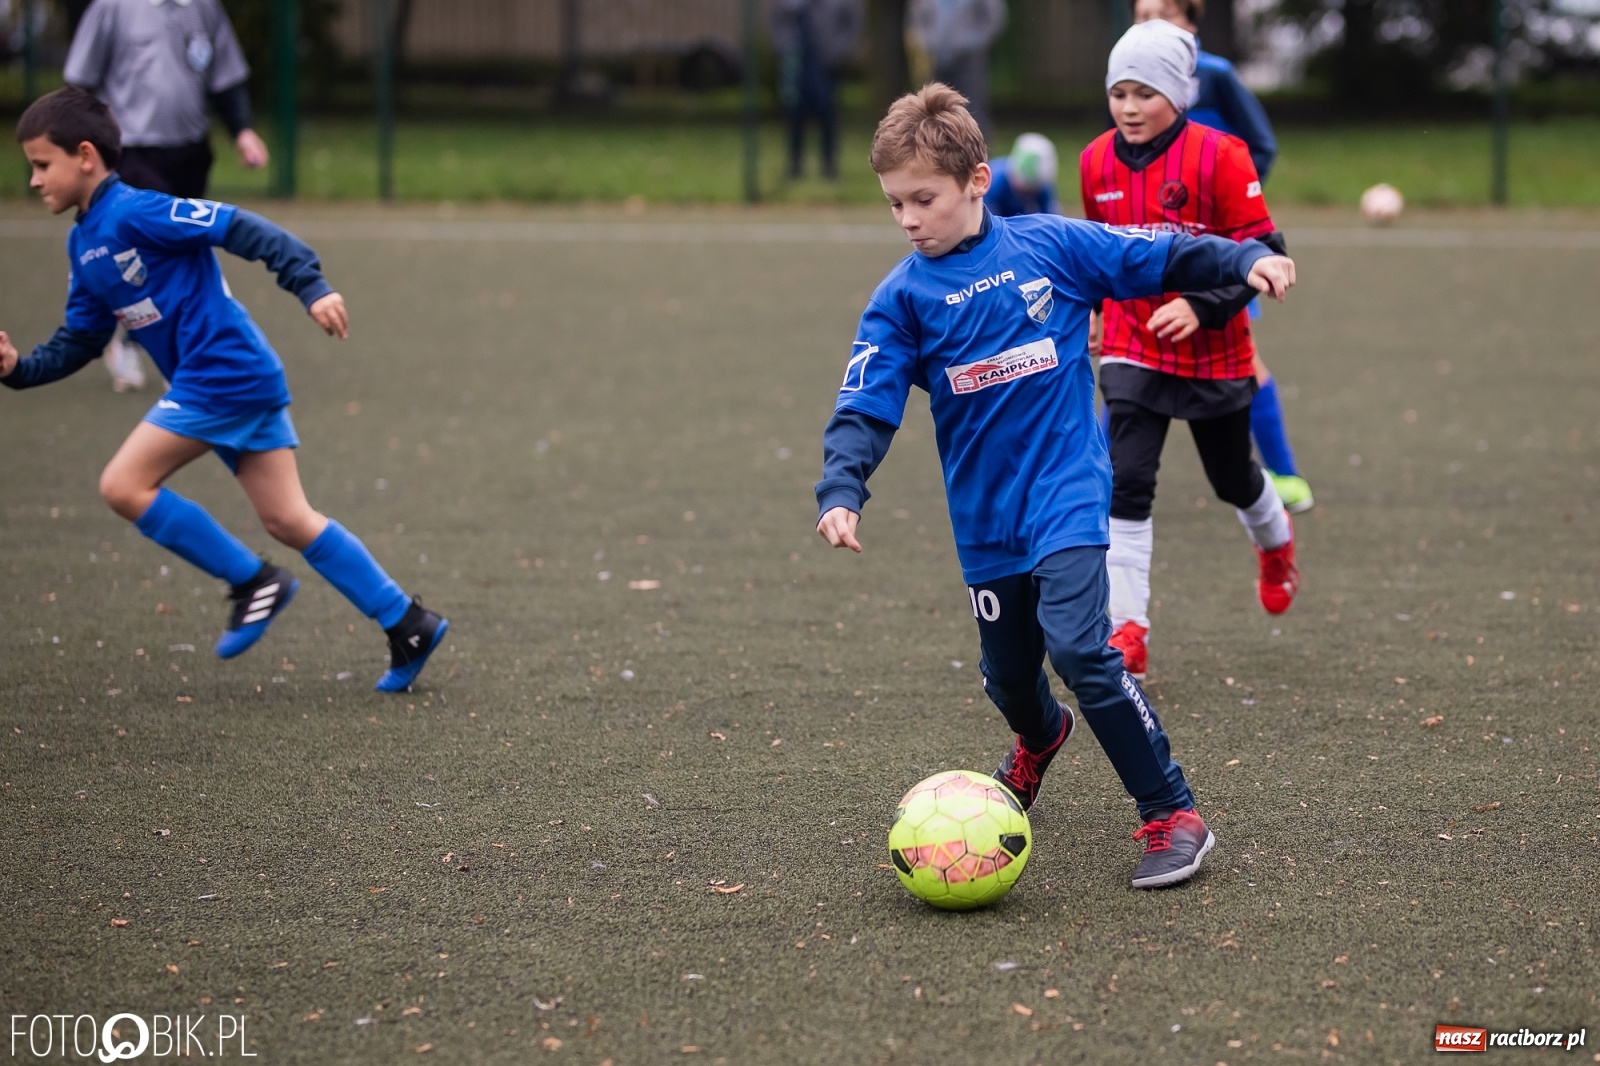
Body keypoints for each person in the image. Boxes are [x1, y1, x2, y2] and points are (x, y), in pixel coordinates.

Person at [814, 83, 1298, 888]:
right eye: (895, 203)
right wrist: (842, 488)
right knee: (1008, 678)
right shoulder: (900, 300)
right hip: (985, 517)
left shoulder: (1051, 248)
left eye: (924, 200)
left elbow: (1160, 250)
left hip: (1067, 490)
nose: (907, 219)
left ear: (978, 180)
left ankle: (1173, 812)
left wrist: (1245, 257)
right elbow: (866, 403)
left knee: (1080, 648)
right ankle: (1041, 737)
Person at [1, 88, 447, 694]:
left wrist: (310, 284)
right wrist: (19, 368)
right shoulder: (83, 244)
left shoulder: (137, 210)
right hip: (235, 378)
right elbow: (80, 339)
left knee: (123, 485)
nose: (33, 180)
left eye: (41, 164)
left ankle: (252, 582)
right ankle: (408, 622)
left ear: (84, 156)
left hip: (222, 373)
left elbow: (239, 226)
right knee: (288, 518)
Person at [1080, 20, 1299, 682]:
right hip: (1131, 343)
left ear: (1177, 94)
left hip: (1215, 351)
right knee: (1127, 479)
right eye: (1118, 93)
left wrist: (1202, 306)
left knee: (1232, 478)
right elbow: (1095, 252)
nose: (1128, 108)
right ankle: (1128, 630)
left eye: (1144, 93)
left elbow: (1266, 253)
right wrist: (1094, 310)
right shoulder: (1095, 161)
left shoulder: (1222, 156)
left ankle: (1276, 544)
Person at [1130, 0, 1312, 514]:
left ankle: (1284, 474)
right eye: (1141, 16)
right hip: (1157, 246)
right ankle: (1104, 477)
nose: (1149, 25)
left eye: (1163, 14)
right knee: (1135, 354)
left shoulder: (1215, 75)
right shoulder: (1128, 83)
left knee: (1243, 360)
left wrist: (1229, 203)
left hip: (1221, 253)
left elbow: (1261, 146)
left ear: (1191, 23)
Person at [64, 0, 269, 394]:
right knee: (152, 256)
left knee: (182, 254)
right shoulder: (112, 7)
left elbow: (225, 77)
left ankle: (158, 344)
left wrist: (243, 131)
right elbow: (80, 81)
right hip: (131, 152)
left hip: (190, 151)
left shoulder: (204, 8)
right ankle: (144, 345)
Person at [770, 0, 863, 181]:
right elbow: (777, 20)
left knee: (827, 113)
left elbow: (853, 22)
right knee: (794, 114)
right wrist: (784, 46)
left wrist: (840, 51)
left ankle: (829, 166)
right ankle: (794, 166)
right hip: (797, 64)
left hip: (826, 65)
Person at [908, 0, 1007, 141]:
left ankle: (979, 149)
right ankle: (940, 147)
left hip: (969, 59)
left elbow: (995, 17)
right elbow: (916, 19)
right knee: (937, 108)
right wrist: (927, 41)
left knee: (973, 108)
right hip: (938, 58)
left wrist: (975, 41)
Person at [984, 131, 1059, 217]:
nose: (1028, 194)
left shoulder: (1044, 187)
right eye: (1025, 189)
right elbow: (987, 219)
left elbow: (1051, 216)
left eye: (1033, 190)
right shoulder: (994, 182)